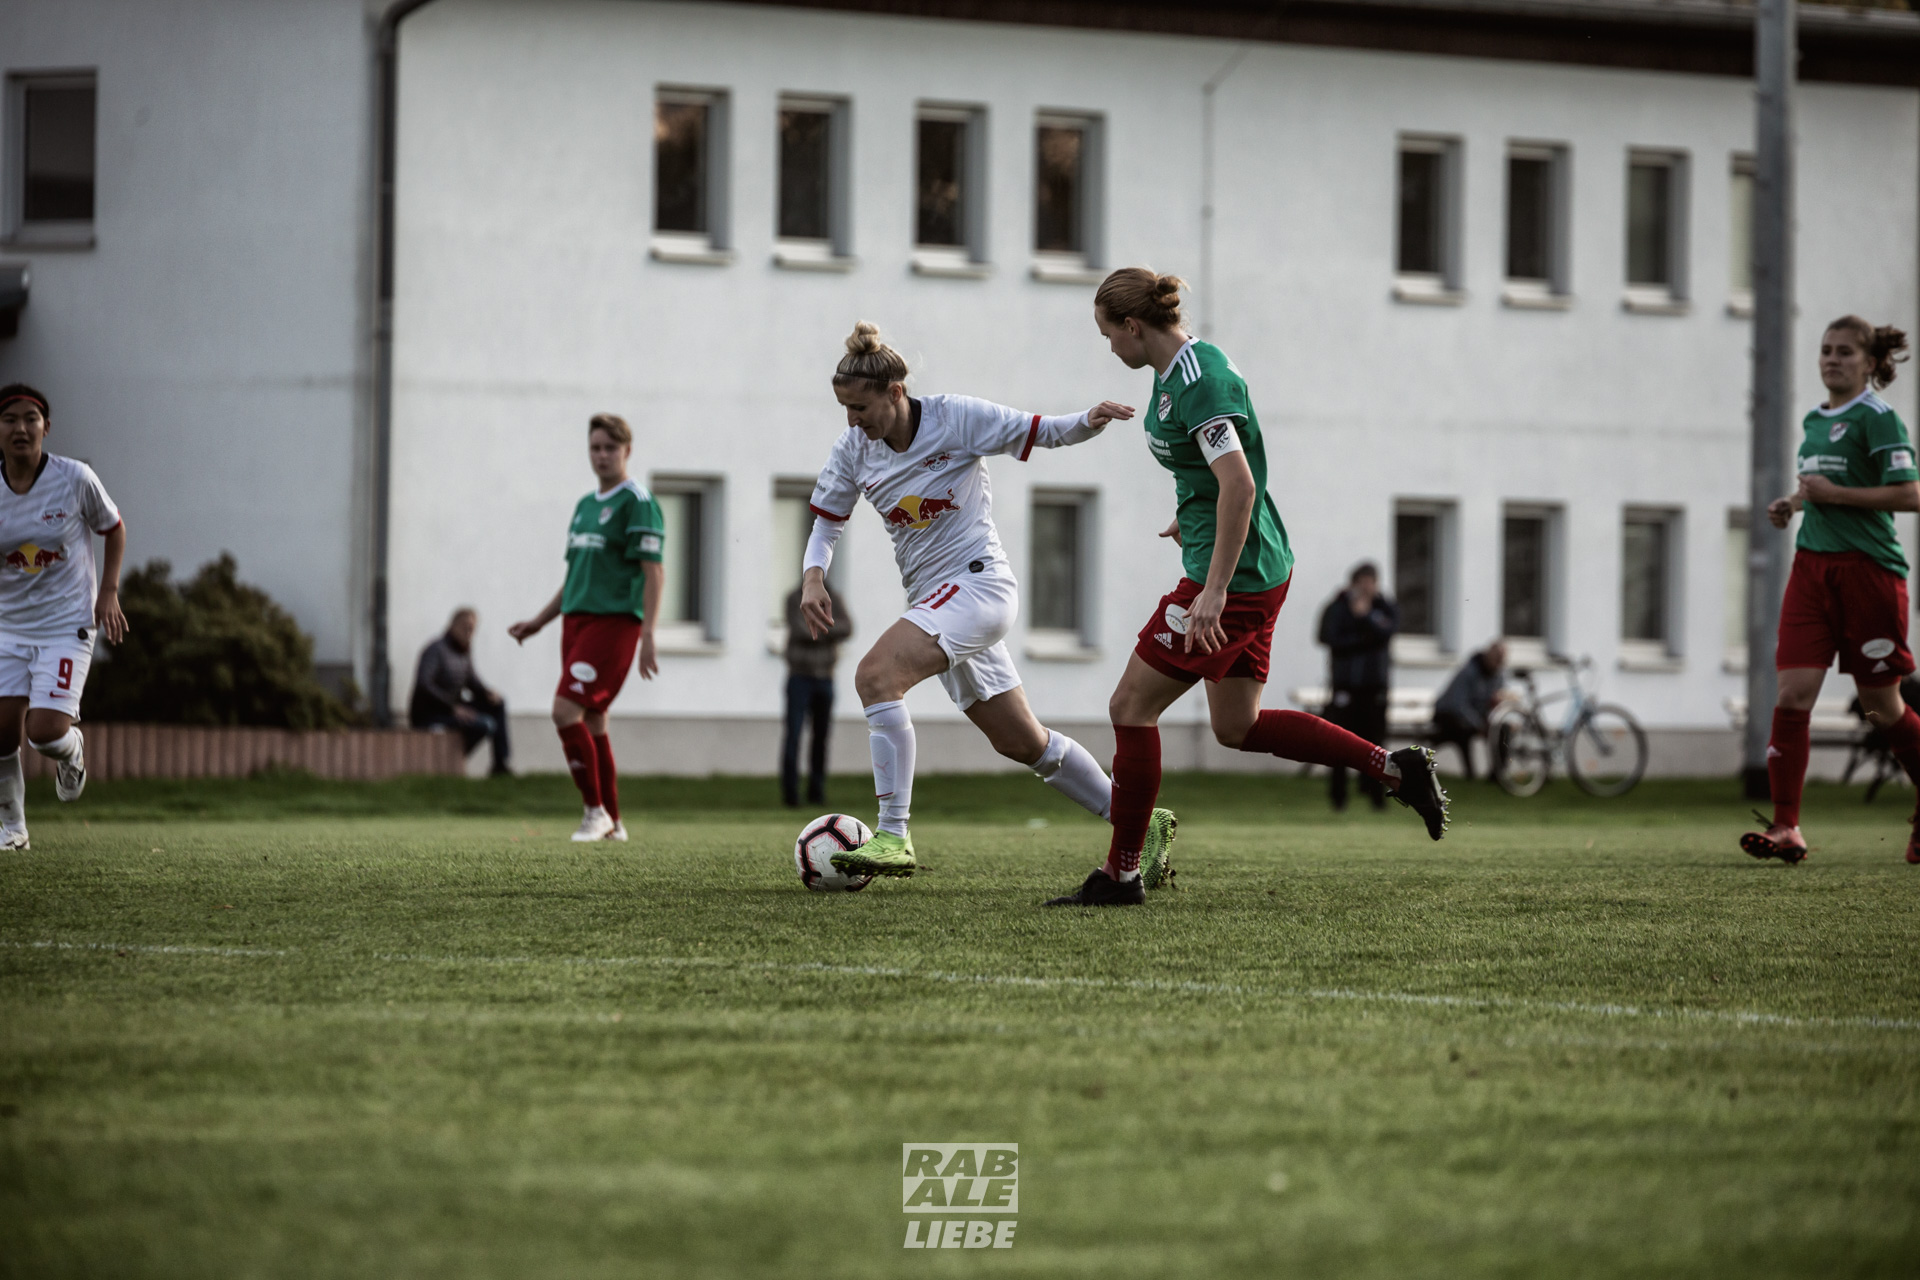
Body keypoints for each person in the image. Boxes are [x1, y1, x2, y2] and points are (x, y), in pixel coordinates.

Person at [1046, 270, 1448, 907]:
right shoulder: (1178, 370)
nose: (1108, 348)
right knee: (1238, 724)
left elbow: (1241, 485)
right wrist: (1192, 512)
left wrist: (1213, 591)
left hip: (1232, 581)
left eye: (1107, 334)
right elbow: (1216, 476)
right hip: (1256, 569)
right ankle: (1395, 769)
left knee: (1130, 707)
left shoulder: (1200, 380)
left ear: (1133, 326)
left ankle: (1121, 875)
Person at [798, 321, 1159, 879]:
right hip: (936, 602)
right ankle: (1137, 819)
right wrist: (813, 575)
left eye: (860, 407)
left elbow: (1036, 429)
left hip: (978, 586)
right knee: (1022, 742)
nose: (852, 420)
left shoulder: (953, 418)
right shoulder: (853, 450)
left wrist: (1087, 422)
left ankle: (893, 834)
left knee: (875, 678)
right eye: (844, 408)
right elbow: (826, 521)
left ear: (895, 392)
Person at [1744, 316, 1918, 866]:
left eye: (1844, 352)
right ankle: (1786, 826)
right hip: (1811, 571)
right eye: (1825, 350)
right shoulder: (1814, 420)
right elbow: (1815, 486)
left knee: (1879, 705)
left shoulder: (1879, 419)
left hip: (1869, 573)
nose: (1831, 359)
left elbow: (1911, 494)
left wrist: (1836, 495)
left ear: (1869, 363)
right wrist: (1791, 505)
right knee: (1793, 695)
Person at [508, 413, 664, 843]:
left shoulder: (638, 501)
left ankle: (594, 812)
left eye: (610, 448)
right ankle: (613, 821)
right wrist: (538, 623)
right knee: (593, 719)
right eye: (595, 447)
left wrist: (649, 634)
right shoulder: (584, 506)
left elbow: (654, 573)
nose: (601, 456)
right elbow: (576, 576)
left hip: (613, 624)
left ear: (626, 451)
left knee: (564, 711)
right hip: (576, 623)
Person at [0, 384, 128, 850]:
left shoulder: (74, 479)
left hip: (65, 624)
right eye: (10, 419)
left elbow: (114, 529)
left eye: (30, 419)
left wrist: (108, 592)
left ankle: (71, 755)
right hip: (7, 627)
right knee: (0, 732)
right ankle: (12, 831)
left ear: (45, 428)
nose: (20, 428)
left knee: (43, 731)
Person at [1318, 562, 1398, 810]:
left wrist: (1366, 617)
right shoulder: (1337, 607)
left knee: (1375, 744)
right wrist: (1362, 638)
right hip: (1345, 686)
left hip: (1374, 688)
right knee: (1340, 743)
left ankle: (1376, 798)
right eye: (1361, 583)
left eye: (1370, 583)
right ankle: (1338, 798)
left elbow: (1387, 632)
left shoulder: (1384, 607)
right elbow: (1327, 637)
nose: (1365, 589)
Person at [409, 607, 511, 776]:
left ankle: (500, 765)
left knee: (497, 705)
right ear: (453, 625)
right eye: (465, 626)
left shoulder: (464, 653)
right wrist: (452, 708)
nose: (469, 632)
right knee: (484, 724)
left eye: (473, 628)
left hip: (454, 710)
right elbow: (424, 685)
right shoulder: (435, 650)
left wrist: (487, 693)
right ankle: (451, 760)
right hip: (432, 714)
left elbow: (473, 682)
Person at [782, 578, 851, 807]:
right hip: (799, 676)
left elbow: (848, 627)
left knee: (821, 738)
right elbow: (801, 630)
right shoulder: (794, 598)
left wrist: (819, 627)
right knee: (793, 735)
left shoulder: (834, 598)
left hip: (826, 678)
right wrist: (829, 629)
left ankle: (816, 792)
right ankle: (791, 794)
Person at [1432, 642, 1510, 780]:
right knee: (1464, 729)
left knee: (1503, 729)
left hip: (1475, 716)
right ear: (1488, 656)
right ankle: (1470, 773)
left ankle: (1498, 774)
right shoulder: (1469, 671)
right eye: (1496, 659)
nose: (1498, 664)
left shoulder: (1498, 675)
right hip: (1448, 715)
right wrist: (1479, 724)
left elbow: (1498, 701)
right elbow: (1458, 705)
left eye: (1501, 661)